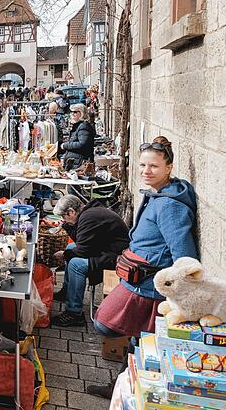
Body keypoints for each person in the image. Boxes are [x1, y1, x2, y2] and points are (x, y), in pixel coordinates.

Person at [88, 137, 197, 399]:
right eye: (142, 165)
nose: (146, 171)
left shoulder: (170, 205)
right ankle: (125, 385)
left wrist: (176, 294)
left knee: (107, 323)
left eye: (154, 166)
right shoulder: (159, 194)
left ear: (169, 167)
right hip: (138, 281)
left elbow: (185, 257)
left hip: (149, 287)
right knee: (140, 340)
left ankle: (130, 387)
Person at [50, 195, 130, 327]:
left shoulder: (89, 218)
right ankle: (67, 291)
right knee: (70, 248)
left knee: (76, 264)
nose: (63, 220)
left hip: (115, 257)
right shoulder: (88, 213)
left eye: (64, 216)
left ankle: (74, 313)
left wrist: (64, 254)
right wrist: (68, 227)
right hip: (106, 250)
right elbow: (81, 241)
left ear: (71, 211)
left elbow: (82, 250)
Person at [61, 103, 95, 169]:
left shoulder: (83, 126)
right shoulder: (79, 125)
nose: (72, 114)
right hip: (76, 161)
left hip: (80, 162)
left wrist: (65, 145)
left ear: (81, 113)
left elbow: (82, 144)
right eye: (71, 112)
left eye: (75, 112)